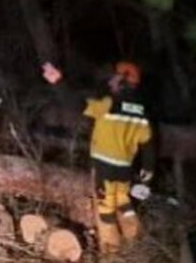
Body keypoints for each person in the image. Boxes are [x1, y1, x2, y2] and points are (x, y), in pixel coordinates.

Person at [41, 60, 155, 253]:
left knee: (105, 210)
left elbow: (77, 105)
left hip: (104, 167)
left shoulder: (109, 105)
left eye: (114, 78)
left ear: (123, 81)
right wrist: (147, 172)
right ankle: (136, 243)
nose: (110, 81)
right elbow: (148, 145)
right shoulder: (142, 113)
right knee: (124, 203)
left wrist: (58, 82)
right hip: (125, 170)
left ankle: (111, 254)